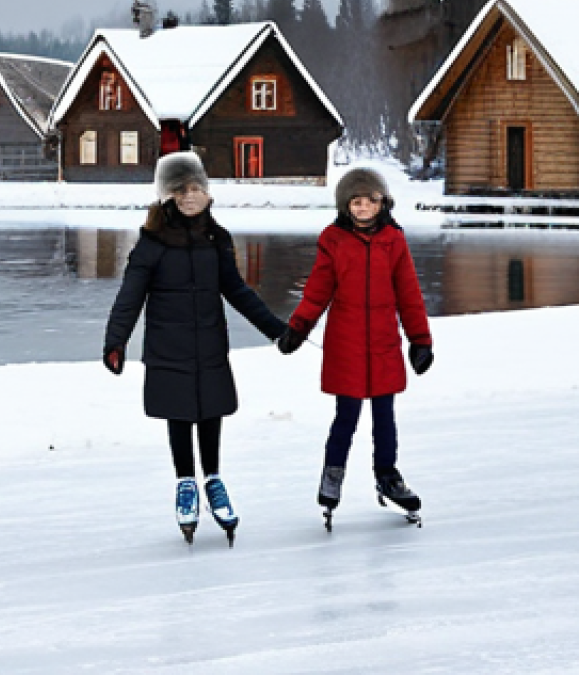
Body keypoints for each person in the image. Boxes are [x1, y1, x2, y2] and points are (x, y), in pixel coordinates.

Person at [103, 151, 287, 544]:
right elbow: (130, 295)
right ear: (166, 196)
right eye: (180, 189)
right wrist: (115, 341)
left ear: (206, 192)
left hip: (208, 343)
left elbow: (236, 289)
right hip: (168, 348)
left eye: (196, 188)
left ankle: (214, 480)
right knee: (179, 415)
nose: (189, 196)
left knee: (211, 411)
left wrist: (275, 330)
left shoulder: (216, 239)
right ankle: (186, 482)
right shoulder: (151, 243)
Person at [278, 167, 434, 523]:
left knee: (385, 418)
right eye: (356, 202)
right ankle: (333, 474)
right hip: (345, 346)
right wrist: (298, 327)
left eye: (370, 201)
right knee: (345, 417)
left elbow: (409, 295)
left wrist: (420, 340)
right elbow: (317, 291)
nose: (363, 208)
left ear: (382, 203)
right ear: (346, 206)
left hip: (383, 345)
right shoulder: (332, 240)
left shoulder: (394, 241)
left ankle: (388, 476)